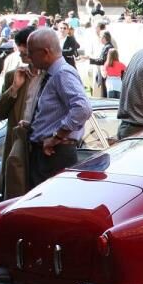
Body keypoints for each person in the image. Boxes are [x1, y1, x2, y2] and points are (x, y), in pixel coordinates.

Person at [23, 26, 92, 197]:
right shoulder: (51, 74)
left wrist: (56, 137)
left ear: (45, 52)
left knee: (49, 205)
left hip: (55, 154)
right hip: (48, 153)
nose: (29, 57)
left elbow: (82, 108)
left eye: (31, 52)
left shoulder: (62, 73)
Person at [0, 26, 38, 200]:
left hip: (41, 151)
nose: (24, 58)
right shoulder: (14, 76)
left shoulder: (53, 75)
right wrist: (14, 88)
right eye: (21, 54)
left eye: (26, 53)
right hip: (17, 150)